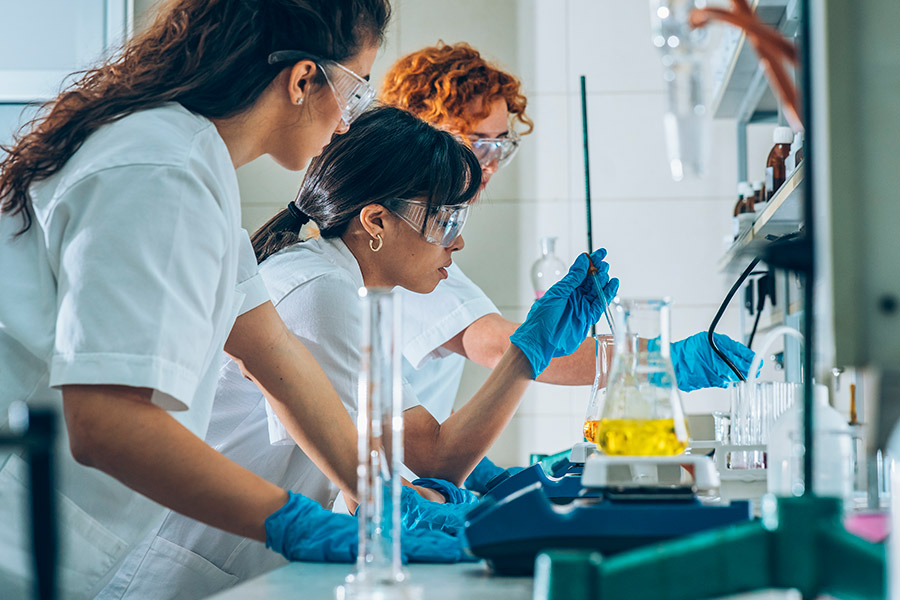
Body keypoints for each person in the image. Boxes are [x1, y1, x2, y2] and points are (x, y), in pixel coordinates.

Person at [0, 2, 461, 598]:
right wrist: (298, 524)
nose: (348, 123)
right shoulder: (160, 169)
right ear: (302, 79)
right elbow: (105, 422)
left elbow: (269, 349)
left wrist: (378, 498)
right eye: (354, 92)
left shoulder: (193, 161)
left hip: (63, 538)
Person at [93, 105, 614, 598]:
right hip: (184, 570)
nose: (456, 244)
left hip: (240, 562)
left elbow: (375, 469)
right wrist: (527, 354)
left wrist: (461, 491)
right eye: (445, 221)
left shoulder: (348, 287)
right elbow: (431, 458)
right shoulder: (320, 291)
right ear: (376, 221)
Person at [379, 42, 756, 491]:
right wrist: (663, 362)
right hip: (391, 504)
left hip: (420, 483)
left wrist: (486, 475)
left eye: (502, 147)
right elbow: (503, 349)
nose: (490, 166)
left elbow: (416, 407)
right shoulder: (400, 256)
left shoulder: (429, 253)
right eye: (480, 145)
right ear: (425, 134)